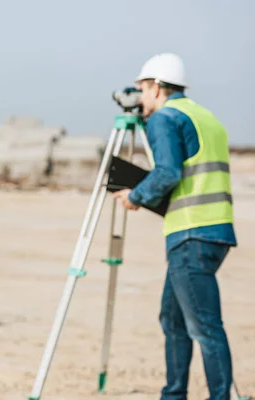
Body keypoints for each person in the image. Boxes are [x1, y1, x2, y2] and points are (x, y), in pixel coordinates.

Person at [113, 53, 237, 400]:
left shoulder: (165, 118)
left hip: (191, 232)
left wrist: (135, 196)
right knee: (173, 319)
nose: (139, 98)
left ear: (156, 86)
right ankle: (174, 394)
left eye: (141, 89)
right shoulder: (204, 116)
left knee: (205, 327)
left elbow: (167, 172)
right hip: (215, 231)